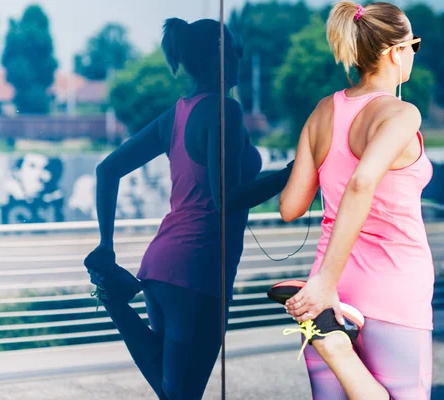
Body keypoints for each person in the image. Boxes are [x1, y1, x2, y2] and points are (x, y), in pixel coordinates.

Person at [83, 18, 293, 400]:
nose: (240, 56)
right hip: (199, 268)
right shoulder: (224, 111)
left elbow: (107, 169)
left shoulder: (176, 115)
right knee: (181, 393)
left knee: (175, 391)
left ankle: (115, 299)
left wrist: (106, 244)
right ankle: (114, 302)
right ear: (218, 57)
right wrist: (288, 175)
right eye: (234, 49)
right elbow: (225, 200)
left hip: (163, 265)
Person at [280, 1, 434, 399]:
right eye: (413, 45)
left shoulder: (322, 112)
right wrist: (325, 284)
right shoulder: (401, 114)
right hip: (392, 285)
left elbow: (290, 206)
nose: (414, 55)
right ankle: (336, 348)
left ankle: (334, 344)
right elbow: (362, 182)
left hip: (325, 290)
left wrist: (325, 283)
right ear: (393, 52)